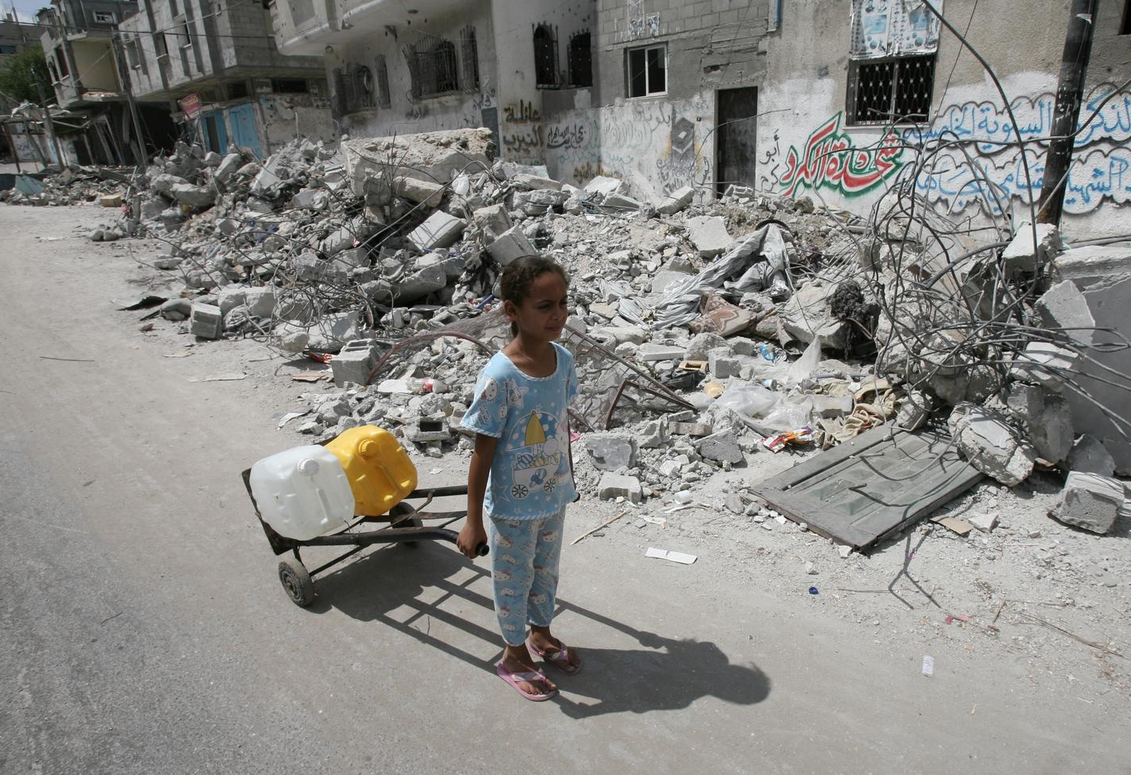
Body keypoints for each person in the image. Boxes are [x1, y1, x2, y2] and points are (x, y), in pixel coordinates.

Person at [457, 256, 583, 701]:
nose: (558, 315)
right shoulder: (500, 377)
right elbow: (483, 452)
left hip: (553, 496)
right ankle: (513, 653)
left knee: (546, 573)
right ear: (512, 311)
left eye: (564, 303)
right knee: (513, 580)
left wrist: (567, 477)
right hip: (512, 507)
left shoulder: (563, 361)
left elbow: (560, 423)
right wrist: (472, 520)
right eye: (545, 305)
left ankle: (541, 635)